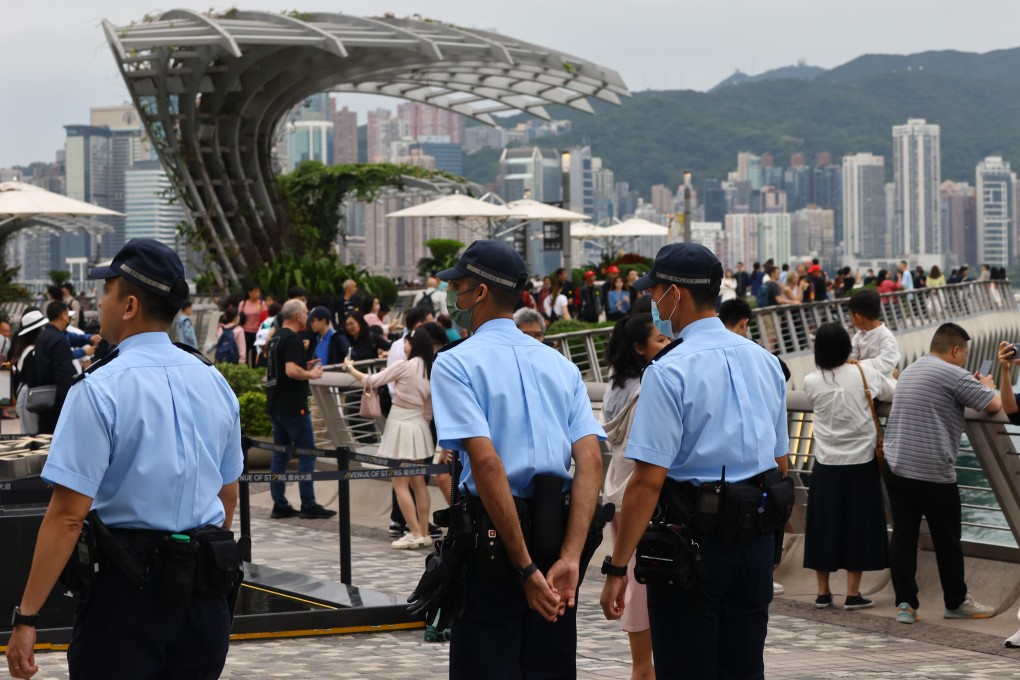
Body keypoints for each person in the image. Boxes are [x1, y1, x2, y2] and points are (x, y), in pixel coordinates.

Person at [3, 238, 243, 679]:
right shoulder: (215, 382)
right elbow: (227, 496)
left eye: (106, 291)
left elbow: (67, 517)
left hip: (126, 594)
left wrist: (27, 616)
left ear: (129, 305)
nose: (99, 302)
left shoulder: (99, 389)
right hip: (205, 593)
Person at [600, 242, 790, 679]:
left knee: (686, 666)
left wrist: (617, 567)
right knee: (744, 668)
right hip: (754, 541)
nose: (652, 302)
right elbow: (781, 461)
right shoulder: (764, 361)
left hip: (690, 546)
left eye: (655, 292)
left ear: (675, 295)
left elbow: (647, 481)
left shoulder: (668, 371)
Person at [432, 240, 605, 678]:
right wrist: (570, 556)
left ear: (480, 293)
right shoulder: (560, 365)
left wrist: (524, 567)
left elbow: (487, 465)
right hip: (556, 538)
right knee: (551, 665)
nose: (454, 296)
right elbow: (590, 459)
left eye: (459, 286)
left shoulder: (455, 363)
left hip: (494, 544)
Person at [883, 323, 1000, 624]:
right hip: (932, 471)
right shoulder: (954, 374)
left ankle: (906, 606)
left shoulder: (910, 370)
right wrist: (987, 385)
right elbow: (994, 404)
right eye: (964, 355)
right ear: (956, 350)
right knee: (947, 539)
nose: (963, 361)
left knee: (904, 537)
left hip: (897, 466)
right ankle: (956, 602)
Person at [803, 323, 893, 611]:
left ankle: (823, 592)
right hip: (861, 463)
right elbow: (892, 391)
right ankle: (853, 593)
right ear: (846, 348)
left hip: (826, 464)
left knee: (823, 525)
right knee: (859, 526)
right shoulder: (864, 373)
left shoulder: (811, 381)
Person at [601, 313, 670, 680]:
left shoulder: (616, 386)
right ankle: (643, 668)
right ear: (639, 348)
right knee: (643, 583)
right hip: (642, 498)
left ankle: (642, 666)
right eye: (660, 340)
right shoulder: (648, 387)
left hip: (617, 492)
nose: (669, 344)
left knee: (632, 575)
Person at [345, 330, 436, 549]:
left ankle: (413, 532)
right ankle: (424, 532)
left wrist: (349, 367)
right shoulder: (430, 370)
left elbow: (371, 380)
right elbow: (428, 410)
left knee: (399, 482)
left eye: (406, 342)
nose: (404, 346)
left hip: (400, 424)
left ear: (413, 344)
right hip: (419, 426)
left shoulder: (403, 366)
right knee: (419, 482)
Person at [264, 299, 336, 520]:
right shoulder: (293, 338)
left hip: (276, 404)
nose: (308, 316)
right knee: (307, 453)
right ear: (297, 316)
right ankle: (308, 503)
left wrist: (301, 367)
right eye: (305, 313)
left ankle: (280, 503)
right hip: (294, 406)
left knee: (280, 454)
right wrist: (311, 374)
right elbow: (291, 371)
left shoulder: (276, 337)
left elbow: (285, 368)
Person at [32, 301, 78, 435]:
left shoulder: (42, 336)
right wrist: (67, 404)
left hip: (43, 399)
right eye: (67, 314)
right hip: (57, 403)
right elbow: (63, 375)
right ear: (63, 315)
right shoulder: (59, 339)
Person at [848, 289, 901, 376]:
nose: (851, 321)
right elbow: (851, 357)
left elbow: (886, 363)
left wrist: (859, 364)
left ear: (858, 317)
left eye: (851, 317)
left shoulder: (885, 335)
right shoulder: (858, 336)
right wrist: (851, 361)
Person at [11, 310, 46, 436]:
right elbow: (33, 379)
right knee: (31, 437)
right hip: (29, 396)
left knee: (28, 433)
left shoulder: (23, 349)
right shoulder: (31, 352)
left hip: (24, 394)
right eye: (42, 328)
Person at [239, 284, 267, 366]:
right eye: (255, 291)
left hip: (257, 332)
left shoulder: (262, 303)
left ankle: (256, 369)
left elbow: (265, 317)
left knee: (256, 352)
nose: (258, 294)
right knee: (245, 351)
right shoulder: (243, 303)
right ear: (249, 293)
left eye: (259, 291)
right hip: (245, 331)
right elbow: (239, 316)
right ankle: (246, 369)